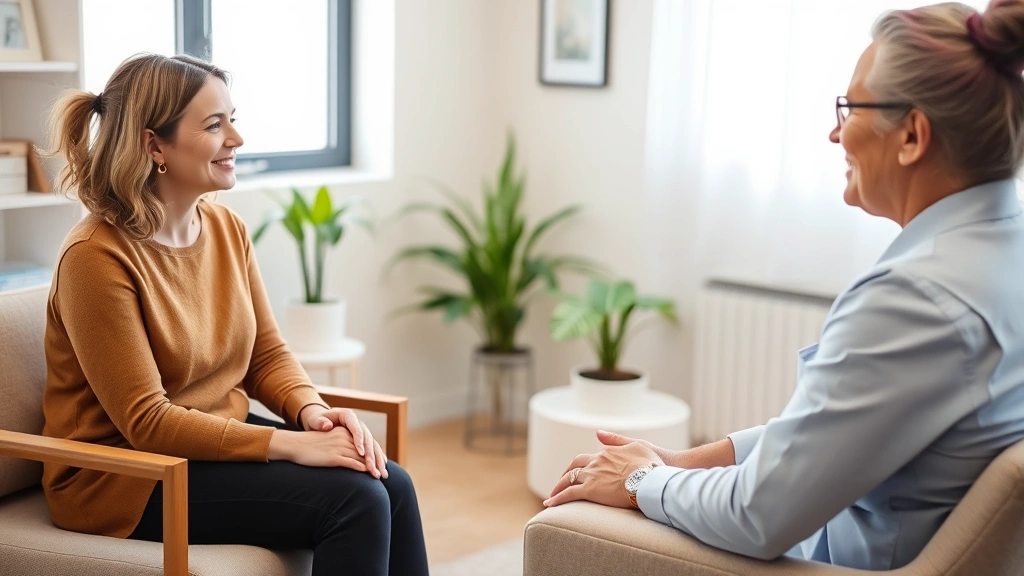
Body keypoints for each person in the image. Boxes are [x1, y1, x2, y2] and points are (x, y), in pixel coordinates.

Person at [545, 0, 1024, 570]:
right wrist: (685, 462)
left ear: (913, 136)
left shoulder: (917, 299)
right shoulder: (999, 257)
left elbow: (756, 516)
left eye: (850, 108)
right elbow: (840, 429)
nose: (833, 132)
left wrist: (643, 479)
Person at [43, 53, 428, 576]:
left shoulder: (226, 228)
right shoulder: (95, 257)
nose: (236, 140)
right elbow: (146, 423)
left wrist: (311, 412)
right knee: (354, 500)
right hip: (125, 475)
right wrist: (288, 446)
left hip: (205, 444)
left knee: (392, 484)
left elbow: (266, 354)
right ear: (154, 145)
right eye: (213, 125)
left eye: (232, 120)